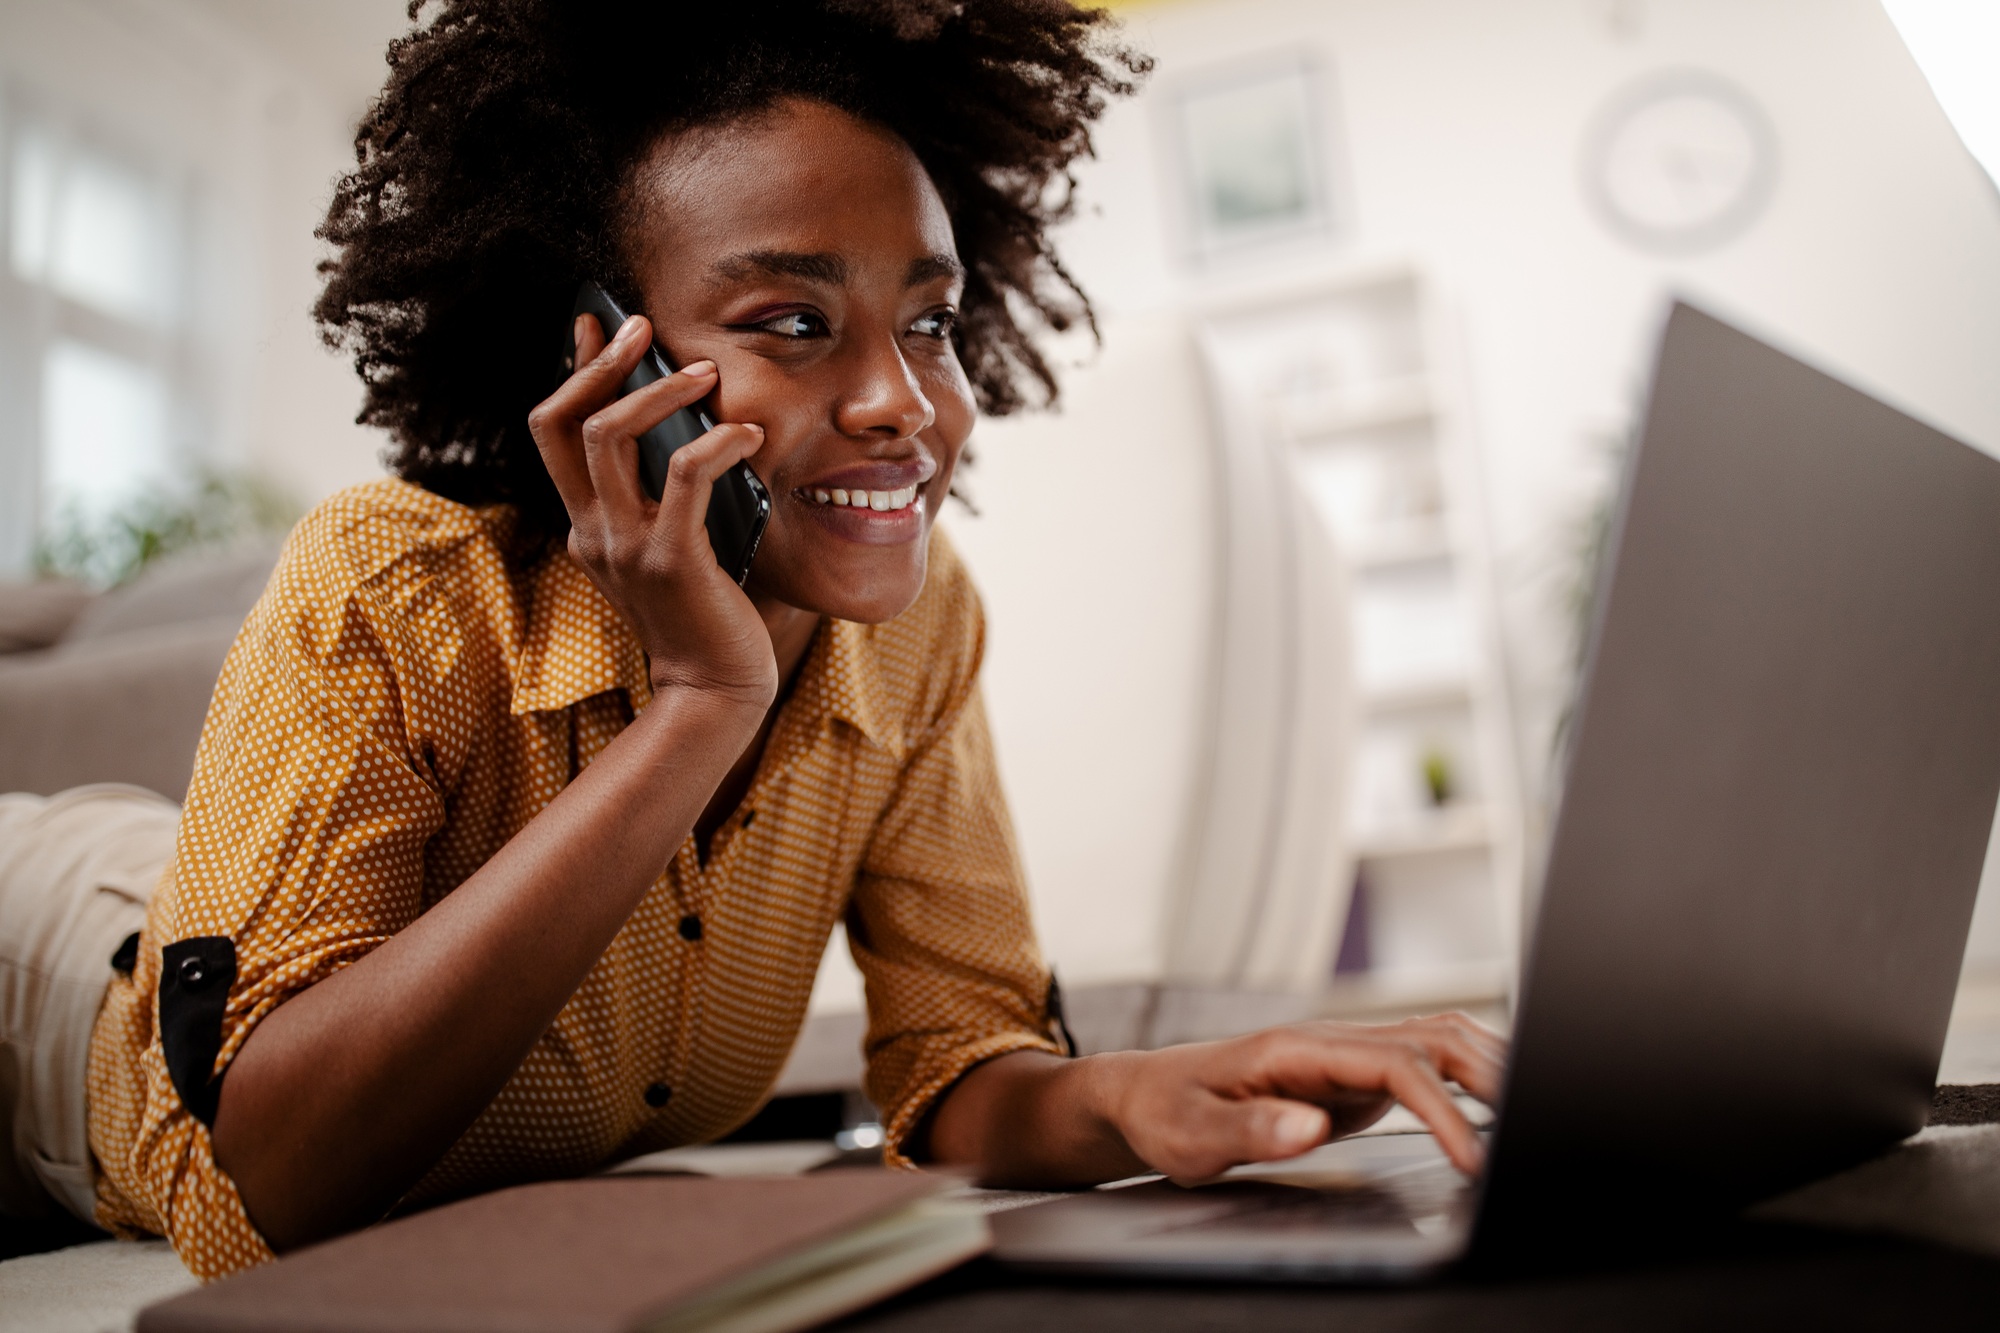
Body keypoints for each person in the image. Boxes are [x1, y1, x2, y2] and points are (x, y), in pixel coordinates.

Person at [5, 0, 1502, 1280]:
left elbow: (959, 1066)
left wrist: (1147, 1095)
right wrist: (702, 701)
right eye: (792, 321)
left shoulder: (917, 632)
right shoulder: (390, 583)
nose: (901, 402)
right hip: (46, 963)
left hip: (179, 870)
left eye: (927, 323)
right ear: (602, 357)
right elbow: (271, 1177)